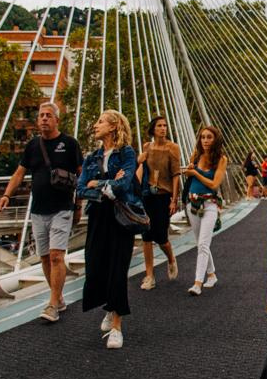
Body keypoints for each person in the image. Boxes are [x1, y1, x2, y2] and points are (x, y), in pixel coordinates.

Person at [0, 99, 81, 324]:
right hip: (38, 210)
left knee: (56, 256)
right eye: (41, 115)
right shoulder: (33, 146)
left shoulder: (70, 144)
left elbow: (81, 175)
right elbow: (19, 173)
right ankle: (59, 297)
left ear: (56, 120)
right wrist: (7, 195)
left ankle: (53, 303)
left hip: (62, 208)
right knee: (44, 257)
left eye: (48, 115)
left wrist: (79, 205)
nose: (44, 118)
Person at [78, 109, 142, 349]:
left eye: (100, 121)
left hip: (120, 217)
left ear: (114, 127)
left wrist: (100, 184)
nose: (95, 125)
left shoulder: (126, 153)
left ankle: (117, 326)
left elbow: (124, 185)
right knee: (95, 266)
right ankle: (110, 305)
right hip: (97, 216)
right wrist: (107, 185)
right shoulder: (91, 157)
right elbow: (81, 188)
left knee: (117, 268)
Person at [180, 123, 229, 295]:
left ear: (215, 139)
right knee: (201, 244)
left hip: (210, 205)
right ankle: (212, 275)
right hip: (192, 204)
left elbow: (214, 184)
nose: (205, 140)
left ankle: (197, 284)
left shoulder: (221, 159)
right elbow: (190, 175)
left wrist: (196, 174)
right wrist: (190, 170)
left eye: (209, 137)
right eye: (202, 137)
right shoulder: (196, 155)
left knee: (203, 243)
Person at [135, 115, 181, 290]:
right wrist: (138, 161)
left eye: (165, 126)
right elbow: (142, 169)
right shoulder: (147, 147)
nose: (163, 128)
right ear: (153, 129)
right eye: (159, 125)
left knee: (161, 237)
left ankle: (171, 259)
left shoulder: (173, 148)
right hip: (147, 194)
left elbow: (176, 174)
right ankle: (149, 276)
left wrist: (174, 199)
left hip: (163, 195)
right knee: (146, 236)